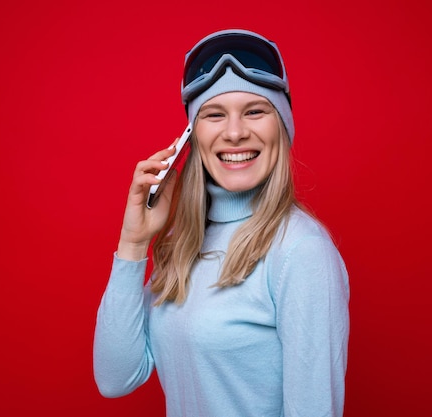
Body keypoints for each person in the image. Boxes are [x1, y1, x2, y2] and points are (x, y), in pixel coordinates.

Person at [93, 29, 350, 417]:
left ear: (281, 128)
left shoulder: (301, 252)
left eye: (255, 111)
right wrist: (132, 244)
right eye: (215, 114)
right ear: (192, 138)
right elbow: (116, 378)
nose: (234, 133)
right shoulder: (182, 243)